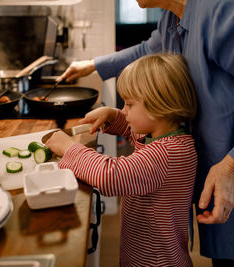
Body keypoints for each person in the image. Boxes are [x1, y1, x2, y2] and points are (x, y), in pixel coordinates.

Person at [56, 0, 234, 266]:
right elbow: (147, 50)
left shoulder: (223, 14)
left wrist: (231, 166)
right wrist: (93, 64)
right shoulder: (172, 19)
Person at [46, 53, 198, 266]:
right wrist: (112, 115)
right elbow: (134, 130)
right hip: (140, 251)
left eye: (128, 104)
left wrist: (69, 148)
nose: (124, 111)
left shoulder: (167, 154)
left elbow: (111, 176)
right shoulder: (161, 133)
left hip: (156, 261)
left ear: (157, 106)